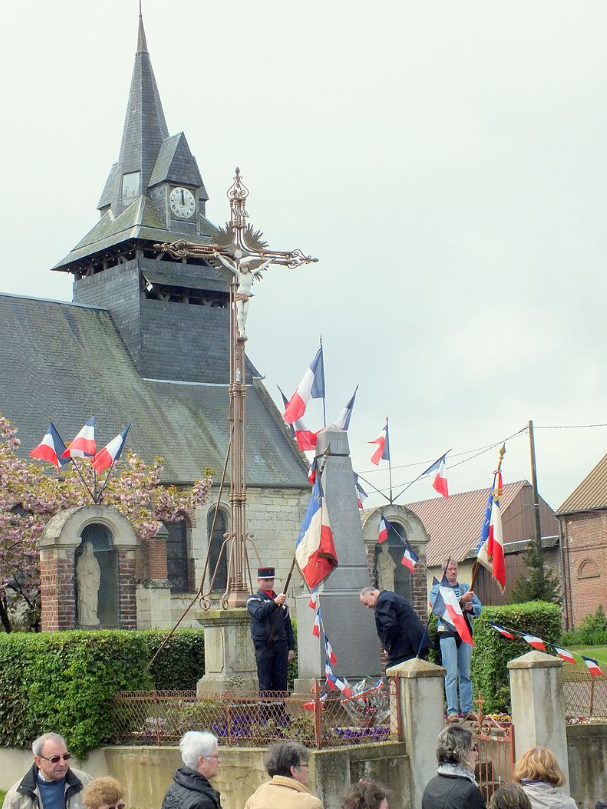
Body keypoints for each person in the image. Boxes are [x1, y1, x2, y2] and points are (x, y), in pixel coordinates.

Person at [430, 558, 482, 722]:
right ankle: (452, 711)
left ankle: (467, 710)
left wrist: (471, 608)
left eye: (455, 569)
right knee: (451, 674)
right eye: (450, 569)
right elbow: (438, 608)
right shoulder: (437, 589)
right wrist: (460, 600)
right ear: (443, 572)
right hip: (447, 633)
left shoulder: (465, 588)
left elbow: (479, 608)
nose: (453, 572)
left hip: (464, 633)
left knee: (465, 674)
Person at [3, 732, 92, 809]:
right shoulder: (16, 797)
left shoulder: (87, 783)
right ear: (38, 761)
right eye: (55, 759)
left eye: (66, 757)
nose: (62, 763)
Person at [247, 566, 295, 695]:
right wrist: (274, 603)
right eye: (266, 580)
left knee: (280, 680)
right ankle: (265, 707)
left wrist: (291, 647)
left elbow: (287, 625)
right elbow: (259, 614)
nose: (269, 583)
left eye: (271, 580)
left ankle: (280, 707)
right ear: (259, 581)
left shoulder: (282, 602)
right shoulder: (253, 599)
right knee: (265, 681)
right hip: (264, 644)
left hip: (280, 643)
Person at [359, 586, 429, 666]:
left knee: (393, 671)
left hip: (404, 647)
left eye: (366, 603)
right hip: (415, 643)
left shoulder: (383, 601)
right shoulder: (391, 596)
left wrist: (388, 647)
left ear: (372, 594)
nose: (368, 607)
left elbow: (390, 625)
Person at [244, 741, 323, 809]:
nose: (308, 770)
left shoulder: (259, 793)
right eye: (306, 765)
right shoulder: (310, 804)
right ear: (294, 770)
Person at [421, 725, 485, 809]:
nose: (477, 754)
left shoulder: (431, 785)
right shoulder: (469, 792)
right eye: (473, 749)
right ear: (462, 754)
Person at [213, 251, 271, 340]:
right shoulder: (239, 273)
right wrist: (219, 257)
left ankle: (242, 328)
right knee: (240, 311)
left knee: (245, 312)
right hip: (239, 295)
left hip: (246, 296)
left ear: (247, 268)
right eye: (243, 268)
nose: (244, 269)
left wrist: (269, 260)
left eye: (245, 268)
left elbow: (261, 267)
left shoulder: (251, 273)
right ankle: (241, 331)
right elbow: (228, 265)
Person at [160, 731, 222, 809]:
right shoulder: (202, 803)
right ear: (201, 761)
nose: (219, 760)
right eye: (216, 756)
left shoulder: (174, 788)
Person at [76, 542, 101, 626]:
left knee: (92, 601)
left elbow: (97, 571)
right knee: (84, 601)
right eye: (87, 547)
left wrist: (93, 572)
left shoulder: (94, 559)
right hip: (84, 584)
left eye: (90, 547)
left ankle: (92, 617)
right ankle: (84, 618)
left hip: (92, 584)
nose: (88, 548)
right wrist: (85, 572)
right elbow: (79, 571)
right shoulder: (81, 559)